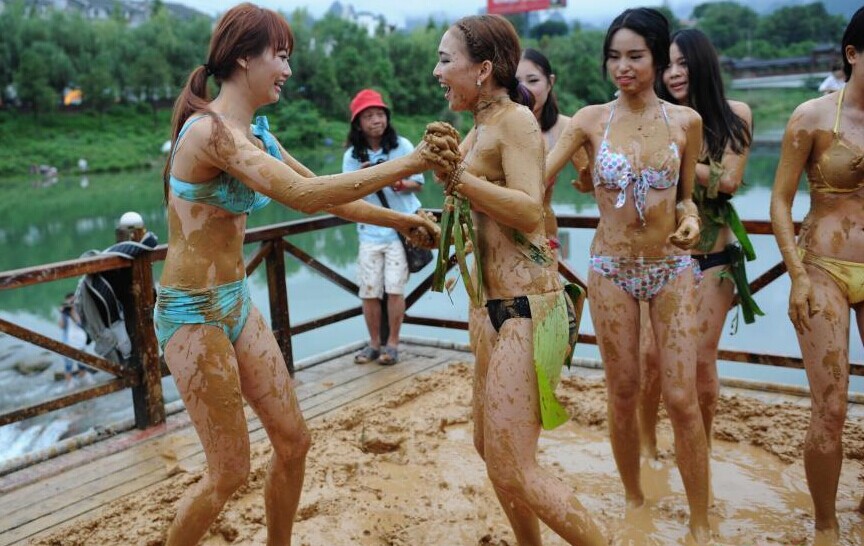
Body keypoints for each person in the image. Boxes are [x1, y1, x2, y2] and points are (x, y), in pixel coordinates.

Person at [155, 4, 449, 545]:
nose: (288, 70)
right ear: (245, 58)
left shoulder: (256, 134)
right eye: (281, 56)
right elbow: (303, 195)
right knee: (228, 473)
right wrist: (412, 162)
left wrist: (402, 221)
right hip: (191, 314)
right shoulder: (210, 133)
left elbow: (326, 195)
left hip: (235, 301)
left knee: (294, 442)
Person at [431, 14, 606, 545]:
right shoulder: (480, 128)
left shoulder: (516, 121)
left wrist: (458, 178)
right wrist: (434, 227)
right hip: (491, 309)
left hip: (530, 309)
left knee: (514, 465)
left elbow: (529, 209)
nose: (437, 72)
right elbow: (476, 210)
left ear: (483, 69)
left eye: (445, 60)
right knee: (491, 451)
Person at [545, 8, 711, 542]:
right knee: (622, 390)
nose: (623, 67)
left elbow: (686, 197)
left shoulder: (685, 122)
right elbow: (538, 177)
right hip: (611, 268)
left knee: (681, 397)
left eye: (635, 56)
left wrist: (690, 219)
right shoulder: (589, 121)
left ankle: (701, 520)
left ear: (658, 59)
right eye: (614, 57)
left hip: (670, 267)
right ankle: (634, 500)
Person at [638, 28, 757, 459]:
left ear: (702, 64)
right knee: (650, 359)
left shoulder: (734, 114)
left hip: (713, 259)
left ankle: (700, 449)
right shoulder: (656, 116)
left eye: (683, 63)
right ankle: (647, 446)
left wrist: (673, 154)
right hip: (661, 260)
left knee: (702, 360)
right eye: (668, 65)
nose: (674, 73)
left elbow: (729, 180)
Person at [770, 7, 864, 543]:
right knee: (831, 405)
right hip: (823, 266)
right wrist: (797, 274)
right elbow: (780, 202)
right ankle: (826, 525)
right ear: (852, 54)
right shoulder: (811, 117)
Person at [344, 89, 425, 366]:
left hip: (400, 230)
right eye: (368, 116)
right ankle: (373, 344)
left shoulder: (402, 146)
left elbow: (418, 183)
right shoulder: (352, 156)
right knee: (368, 290)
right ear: (358, 123)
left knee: (394, 288)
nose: (376, 120)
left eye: (379, 114)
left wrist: (398, 183)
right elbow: (345, 192)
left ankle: (393, 344)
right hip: (369, 232)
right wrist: (363, 177)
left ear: (387, 117)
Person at [516, 48, 591, 252]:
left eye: (533, 80)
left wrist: (589, 182)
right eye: (516, 82)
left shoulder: (566, 128)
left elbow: (596, 181)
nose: (524, 89)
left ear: (550, 82)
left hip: (541, 235)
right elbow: (454, 170)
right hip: (494, 235)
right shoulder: (493, 123)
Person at [58, 292, 88, 382]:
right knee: (68, 365)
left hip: (80, 342)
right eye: (70, 301)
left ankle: (82, 379)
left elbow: (80, 323)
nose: (72, 303)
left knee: (82, 364)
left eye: (73, 301)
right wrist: (62, 313)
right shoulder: (65, 313)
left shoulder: (78, 310)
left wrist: (73, 311)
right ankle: (70, 384)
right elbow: (61, 326)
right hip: (68, 343)